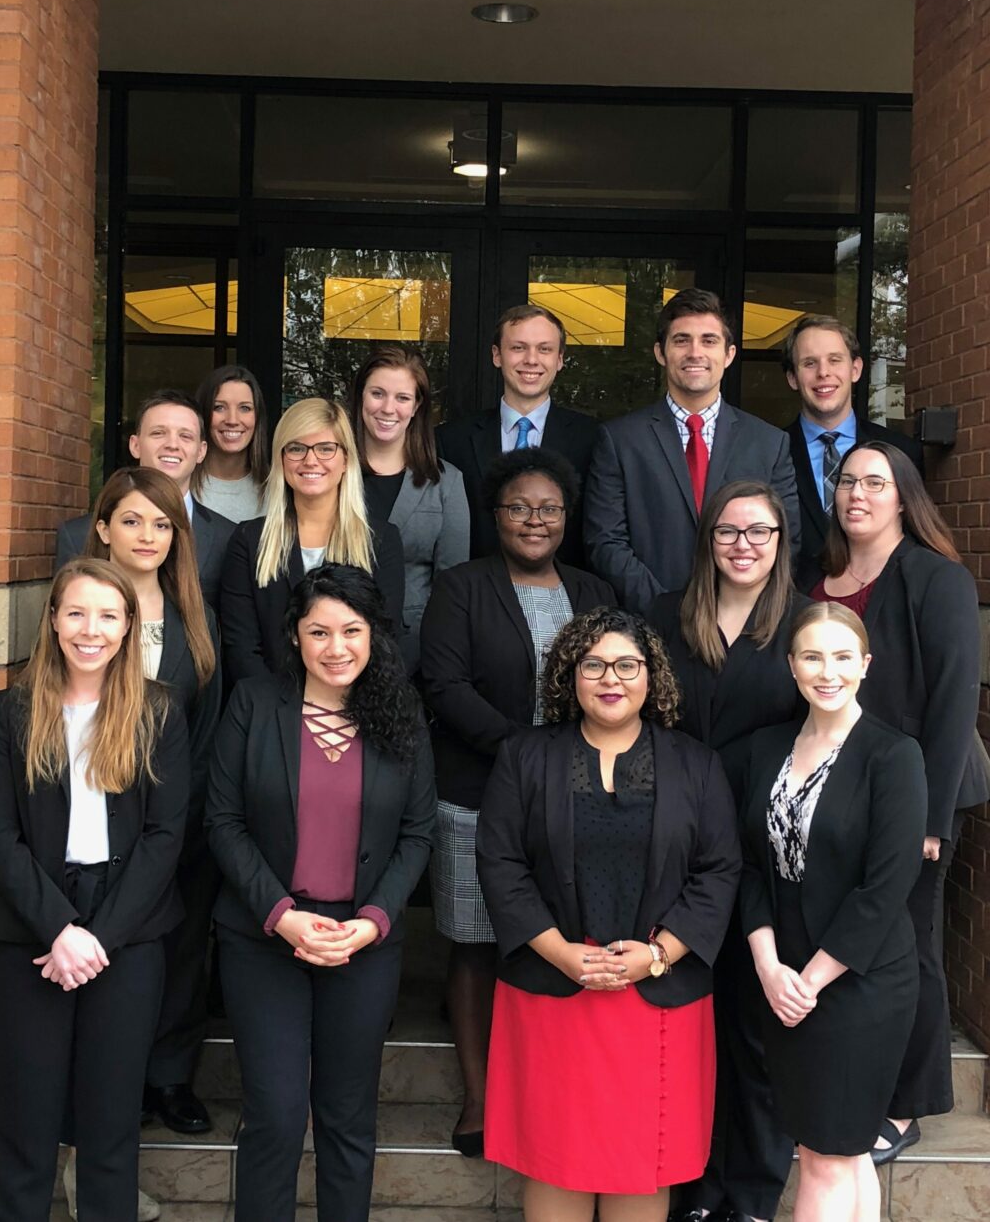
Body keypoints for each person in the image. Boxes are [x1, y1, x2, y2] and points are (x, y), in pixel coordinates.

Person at [476, 607, 741, 1222]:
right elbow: (501, 864)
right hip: (552, 990)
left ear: (653, 676)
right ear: (569, 675)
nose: (610, 678)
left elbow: (720, 871)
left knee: (639, 1166)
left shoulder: (697, 765)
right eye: (592, 664)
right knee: (557, 1160)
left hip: (657, 995)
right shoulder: (525, 757)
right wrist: (561, 952)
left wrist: (658, 954)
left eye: (627, 664)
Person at [205, 564, 436, 1222]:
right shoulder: (253, 703)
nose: (337, 646)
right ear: (296, 636)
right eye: (319, 631)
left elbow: (418, 833)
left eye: (352, 630)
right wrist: (281, 915)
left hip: (363, 942)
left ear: (374, 634)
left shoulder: (402, 713)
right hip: (265, 936)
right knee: (276, 1113)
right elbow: (222, 820)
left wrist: (372, 920)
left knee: (347, 1116)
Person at [0, 558, 189, 1222]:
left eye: (106, 614)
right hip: (36, 926)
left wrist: (99, 935)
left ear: (128, 626)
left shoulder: (158, 711)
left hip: (127, 927)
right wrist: (60, 929)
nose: (89, 629)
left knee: (110, 1123)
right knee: (27, 1123)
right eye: (75, 612)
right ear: (54, 620)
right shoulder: (14, 709)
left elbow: (164, 836)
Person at [420, 447, 613, 1158]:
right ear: (495, 515)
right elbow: (445, 685)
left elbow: (617, 681)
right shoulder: (461, 587)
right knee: (474, 944)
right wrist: (526, 752)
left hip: (575, 798)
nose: (535, 519)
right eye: (519, 507)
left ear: (567, 517)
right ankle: (479, 1093)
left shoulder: (592, 592)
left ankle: (551, 1089)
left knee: (555, 941)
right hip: (476, 792)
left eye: (549, 508)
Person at [801, 440, 988, 1165]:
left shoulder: (934, 577)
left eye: (874, 482)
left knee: (910, 945)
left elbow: (952, 704)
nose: (857, 494)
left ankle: (906, 1104)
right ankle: (848, 1084)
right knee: (850, 939)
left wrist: (932, 821)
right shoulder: (815, 574)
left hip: (919, 791)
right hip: (839, 786)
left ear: (902, 495)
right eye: (847, 480)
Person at [651, 481, 808, 1222]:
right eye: (728, 531)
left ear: (780, 542)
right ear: (707, 538)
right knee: (682, 1024)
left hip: (764, 841)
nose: (743, 544)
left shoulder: (803, 622)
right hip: (674, 837)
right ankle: (689, 1183)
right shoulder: (665, 615)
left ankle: (749, 1191)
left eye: (760, 531)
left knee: (752, 1026)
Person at [740, 603, 927, 1221]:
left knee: (825, 1155)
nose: (828, 671)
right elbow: (748, 866)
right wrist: (769, 966)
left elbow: (885, 888)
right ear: (791, 666)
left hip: (861, 981)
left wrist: (810, 981)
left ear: (865, 665)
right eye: (813, 656)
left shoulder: (894, 756)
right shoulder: (764, 751)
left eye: (843, 657)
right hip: (783, 974)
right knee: (839, 1153)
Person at [85, 466, 221, 1136]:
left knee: (181, 946)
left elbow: (207, 726)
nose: (147, 534)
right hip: (92, 822)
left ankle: (169, 1076)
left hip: (178, 820)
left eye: (163, 523)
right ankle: (120, 1080)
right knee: (112, 950)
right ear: (104, 527)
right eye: (132, 519)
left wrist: (181, 819)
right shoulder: (80, 606)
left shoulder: (196, 615)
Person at [584, 287, 801, 617]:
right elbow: (605, 542)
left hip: (744, 626)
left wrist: (733, 609)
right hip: (651, 626)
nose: (695, 352)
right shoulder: (620, 440)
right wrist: (667, 611)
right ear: (661, 352)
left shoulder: (769, 444)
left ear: (729, 354)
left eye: (709, 340)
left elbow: (786, 540)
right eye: (682, 340)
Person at [220, 397, 406, 685]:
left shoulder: (380, 541)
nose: (310, 460)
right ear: (281, 458)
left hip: (354, 709)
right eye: (296, 448)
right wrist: (284, 711)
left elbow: (383, 640)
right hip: (271, 710)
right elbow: (241, 648)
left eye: (325, 448)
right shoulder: (249, 540)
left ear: (346, 460)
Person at [436, 303, 599, 565]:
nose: (531, 359)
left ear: (559, 359)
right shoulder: (451, 440)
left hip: (566, 595)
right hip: (475, 594)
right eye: (518, 347)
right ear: (497, 355)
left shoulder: (593, 439)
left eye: (544, 349)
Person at [56, 389, 235, 610]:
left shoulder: (229, 538)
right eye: (159, 433)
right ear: (135, 444)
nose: (172, 444)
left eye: (185, 436)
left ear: (201, 451)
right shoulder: (77, 535)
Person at [350, 345, 469, 673]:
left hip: (414, 652)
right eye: (377, 393)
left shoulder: (446, 482)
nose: (388, 408)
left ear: (417, 406)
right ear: (361, 396)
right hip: (334, 644)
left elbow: (451, 584)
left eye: (402, 398)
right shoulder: (331, 470)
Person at [782, 315, 924, 572]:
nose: (823, 372)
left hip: (879, 603)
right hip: (795, 605)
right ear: (792, 377)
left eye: (835, 360)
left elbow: (915, 539)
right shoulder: (770, 451)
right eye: (809, 363)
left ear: (855, 369)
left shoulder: (903, 452)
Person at [192, 364, 270, 523]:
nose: (232, 420)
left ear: (257, 417)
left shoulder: (276, 489)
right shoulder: (181, 484)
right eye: (219, 407)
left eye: (245, 408)